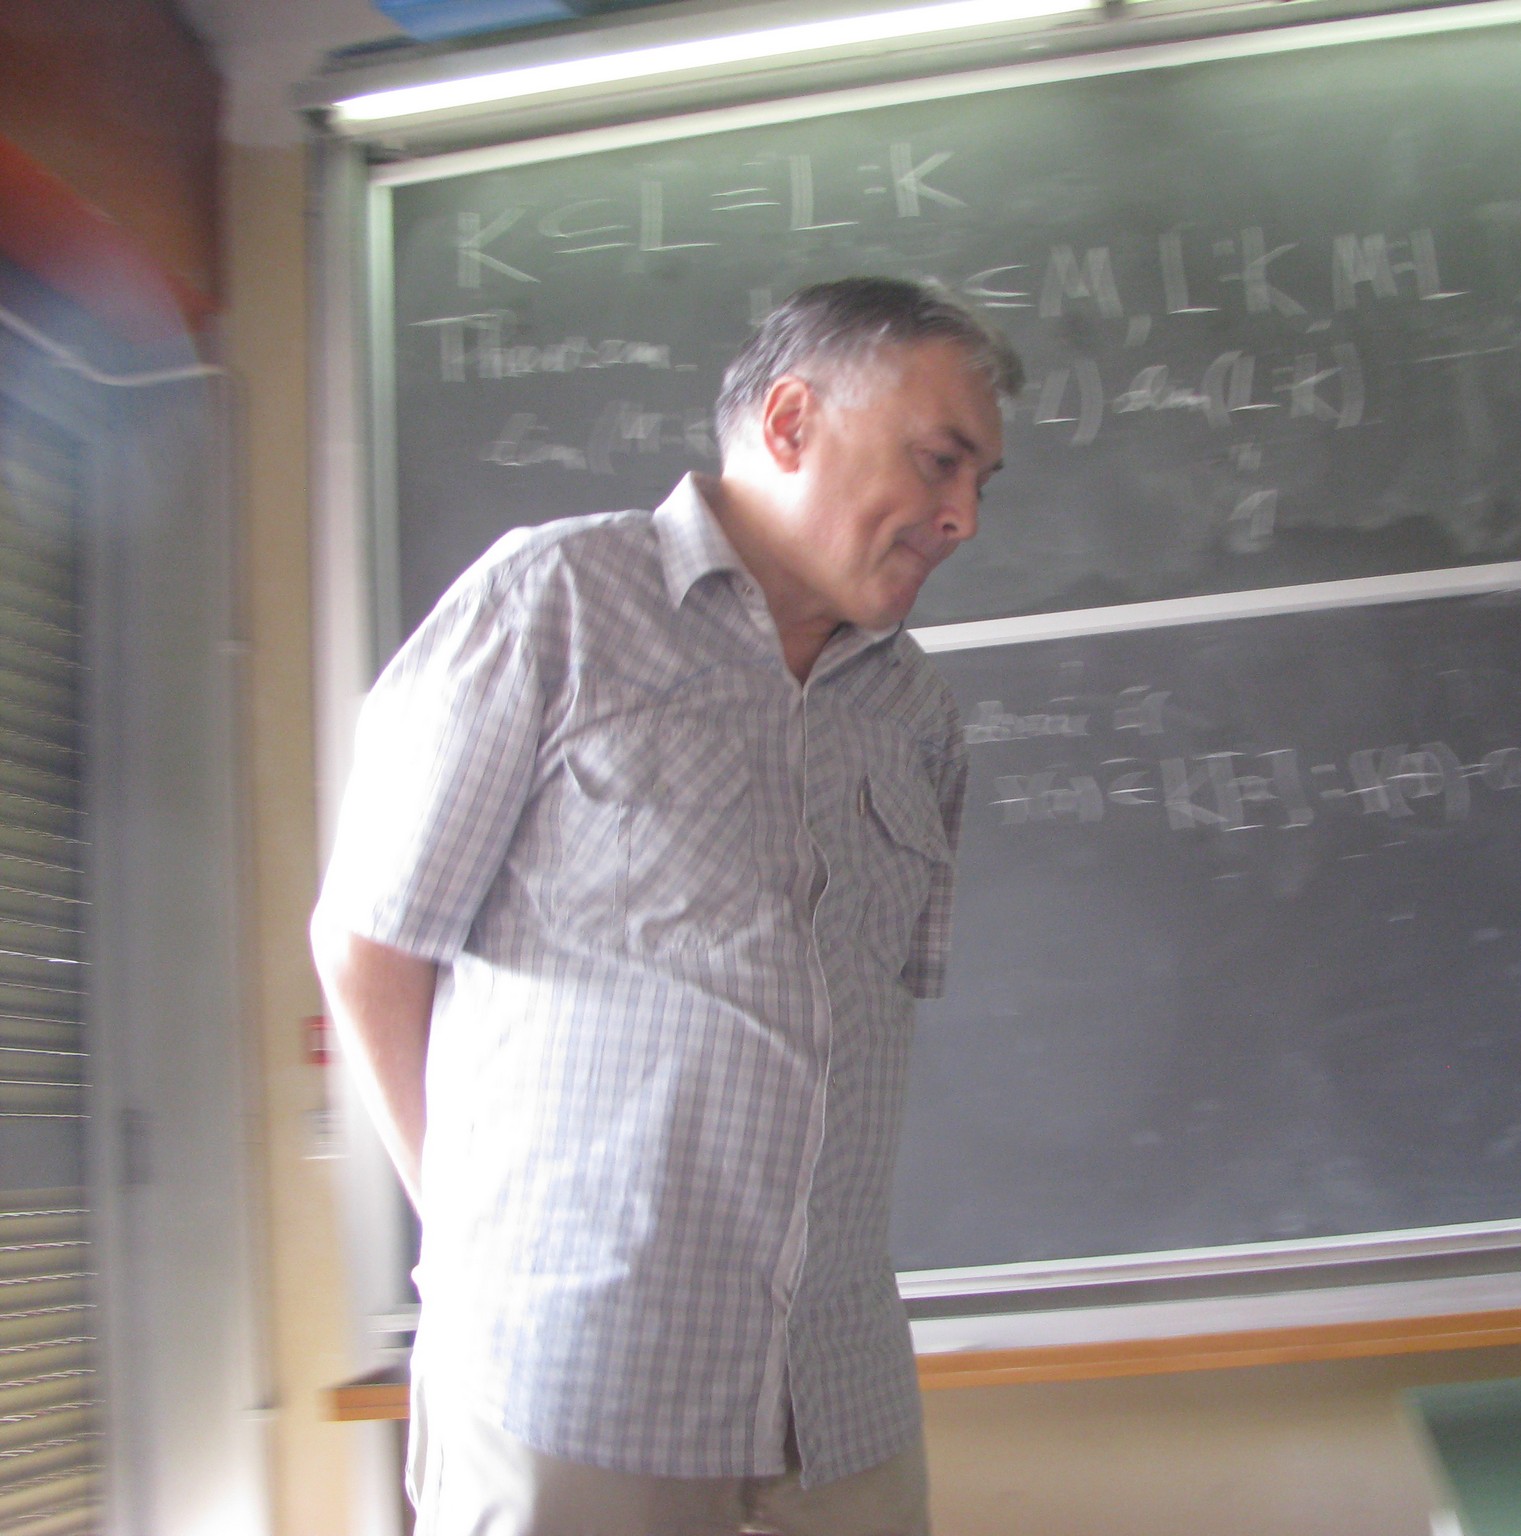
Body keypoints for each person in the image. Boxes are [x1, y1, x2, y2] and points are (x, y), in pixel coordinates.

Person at [309, 277, 1021, 1536]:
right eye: (938, 461)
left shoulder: (913, 711)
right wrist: (472, 1252)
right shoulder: (553, 602)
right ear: (790, 422)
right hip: (573, 1386)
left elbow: (850, 1035)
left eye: (980, 483)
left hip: (837, 1399)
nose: (962, 516)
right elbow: (369, 946)